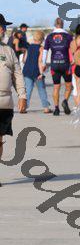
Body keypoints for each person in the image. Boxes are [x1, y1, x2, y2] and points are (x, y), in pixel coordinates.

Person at [0, 14, 27, 183]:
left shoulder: (8, 51)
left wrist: (22, 95)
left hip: (4, 103)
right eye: (0, 27)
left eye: (3, 27)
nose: (2, 30)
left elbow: (17, 74)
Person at [42, 18, 73, 116]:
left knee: (56, 86)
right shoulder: (68, 36)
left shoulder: (49, 36)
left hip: (54, 64)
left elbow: (45, 51)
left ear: (55, 24)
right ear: (63, 24)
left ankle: (56, 109)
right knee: (69, 86)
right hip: (65, 64)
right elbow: (72, 50)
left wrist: (43, 63)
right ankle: (65, 101)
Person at [22, 30, 51, 113]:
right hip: (36, 71)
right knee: (41, 89)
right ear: (42, 39)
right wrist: (41, 73)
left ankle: (23, 107)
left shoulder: (29, 47)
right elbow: (40, 61)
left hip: (27, 70)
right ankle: (46, 107)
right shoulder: (41, 48)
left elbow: (24, 60)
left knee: (28, 89)